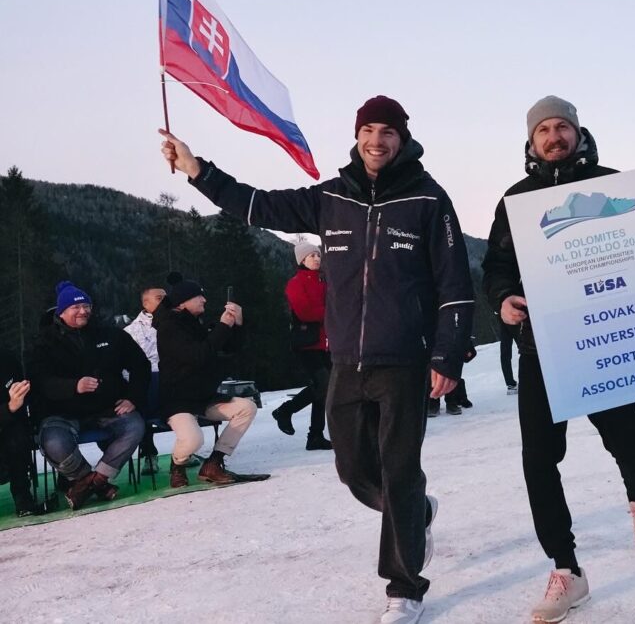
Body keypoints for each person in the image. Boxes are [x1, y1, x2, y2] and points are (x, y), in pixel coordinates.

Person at [159, 95, 474, 624]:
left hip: (405, 362)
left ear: (402, 139)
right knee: (352, 470)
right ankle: (414, 517)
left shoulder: (428, 199)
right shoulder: (332, 197)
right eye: (369, 130)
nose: (377, 140)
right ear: (357, 137)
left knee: (399, 469)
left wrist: (448, 353)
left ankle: (404, 586)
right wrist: (196, 169)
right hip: (346, 360)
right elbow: (257, 204)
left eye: (388, 132)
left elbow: (454, 284)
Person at [483, 95, 635, 623]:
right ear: (531, 141)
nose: (554, 136)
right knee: (539, 460)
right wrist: (503, 299)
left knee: (625, 438)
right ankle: (567, 569)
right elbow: (496, 268)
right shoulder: (516, 200)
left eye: (561, 127)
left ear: (576, 132)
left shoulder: (615, 186)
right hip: (543, 347)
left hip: (609, 344)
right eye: (543, 129)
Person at [31, 281, 147, 510]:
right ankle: (91, 482)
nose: (83, 311)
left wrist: (133, 397)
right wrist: (74, 386)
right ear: (61, 311)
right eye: (76, 307)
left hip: (106, 407)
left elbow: (141, 366)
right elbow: (40, 383)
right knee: (53, 441)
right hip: (61, 412)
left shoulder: (111, 335)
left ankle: (96, 481)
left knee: (134, 427)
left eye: (86, 306)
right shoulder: (44, 343)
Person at [153, 274, 260, 487]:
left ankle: (214, 462)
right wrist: (222, 326)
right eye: (199, 297)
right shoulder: (169, 328)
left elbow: (229, 348)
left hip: (204, 397)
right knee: (194, 440)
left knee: (246, 407)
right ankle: (178, 465)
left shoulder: (193, 323)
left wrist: (236, 324)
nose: (204, 300)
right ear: (183, 302)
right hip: (178, 401)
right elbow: (199, 355)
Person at [272, 242, 332, 450]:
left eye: (318, 254)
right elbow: (306, 313)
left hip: (325, 343)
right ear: (302, 260)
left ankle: (315, 435)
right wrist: (333, 311)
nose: (317, 258)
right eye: (311, 255)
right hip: (307, 344)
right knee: (324, 384)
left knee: (324, 388)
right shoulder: (296, 283)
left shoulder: (325, 280)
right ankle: (286, 410)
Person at [123, 286, 167, 474]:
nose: (165, 301)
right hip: (146, 386)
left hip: (173, 382)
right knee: (141, 407)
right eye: (159, 298)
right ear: (145, 303)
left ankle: (185, 451)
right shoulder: (130, 332)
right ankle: (149, 454)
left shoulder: (180, 324)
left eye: (167, 298)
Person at [1, 350, 36, 516]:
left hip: (8, 426)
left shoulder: (7, 359)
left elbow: (20, 409)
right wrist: (9, 408)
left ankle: (23, 498)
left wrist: (16, 401)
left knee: (17, 435)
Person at [499, 320, 518, 395]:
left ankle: (510, 384)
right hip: (513, 317)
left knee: (505, 353)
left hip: (502, 317)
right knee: (524, 348)